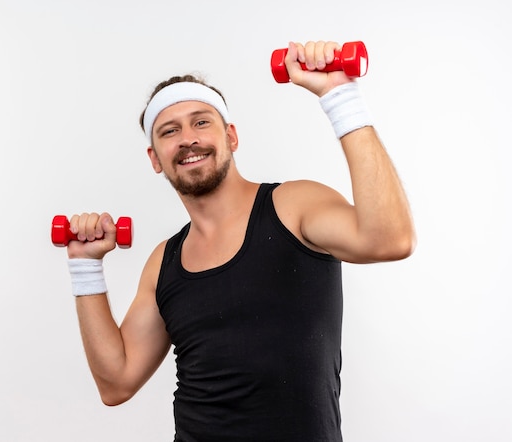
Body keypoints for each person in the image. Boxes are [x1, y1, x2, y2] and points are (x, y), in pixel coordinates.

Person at [63, 40, 416, 441]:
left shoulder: (293, 206)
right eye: (169, 131)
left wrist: (340, 95)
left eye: (201, 122)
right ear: (155, 159)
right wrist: (85, 264)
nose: (187, 139)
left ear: (231, 136)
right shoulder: (165, 261)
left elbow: (391, 238)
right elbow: (117, 382)